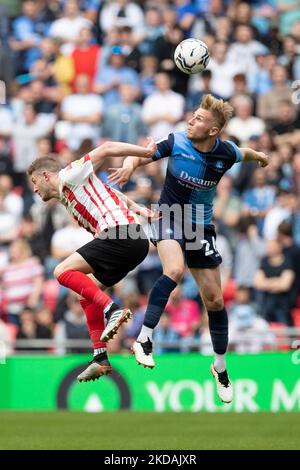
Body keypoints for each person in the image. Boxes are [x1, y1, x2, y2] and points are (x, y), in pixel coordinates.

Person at [108, 94, 269, 403]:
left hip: (201, 224)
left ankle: (220, 367)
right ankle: (144, 338)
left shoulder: (225, 153)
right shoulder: (175, 142)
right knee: (174, 269)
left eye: (198, 119)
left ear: (213, 130)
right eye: (193, 115)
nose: (190, 121)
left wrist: (260, 156)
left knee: (216, 301)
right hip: (169, 214)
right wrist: (129, 166)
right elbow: (141, 154)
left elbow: (244, 153)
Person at [27, 138, 157, 382]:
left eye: (34, 182)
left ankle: (112, 309)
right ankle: (100, 357)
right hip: (134, 241)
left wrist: (145, 151)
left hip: (121, 234)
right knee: (85, 293)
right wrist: (138, 208)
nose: (34, 189)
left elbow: (106, 148)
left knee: (61, 271)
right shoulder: (73, 191)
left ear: (45, 175)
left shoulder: (69, 174)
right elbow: (111, 192)